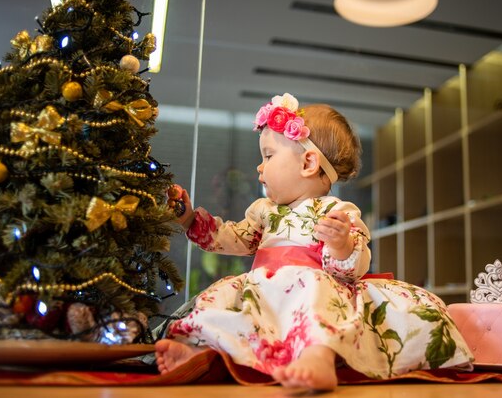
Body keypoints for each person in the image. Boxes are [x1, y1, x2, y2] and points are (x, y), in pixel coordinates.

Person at [155, 93, 473, 390]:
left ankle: (318, 359)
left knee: (321, 302)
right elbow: (233, 239)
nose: (259, 166)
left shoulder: (338, 212)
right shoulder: (263, 212)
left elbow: (351, 269)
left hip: (310, 286)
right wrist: (188, 219)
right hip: (263, 291)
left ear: (308, 163)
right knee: (222, 308)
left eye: (268, 155)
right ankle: (199, 353)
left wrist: (341, 246)